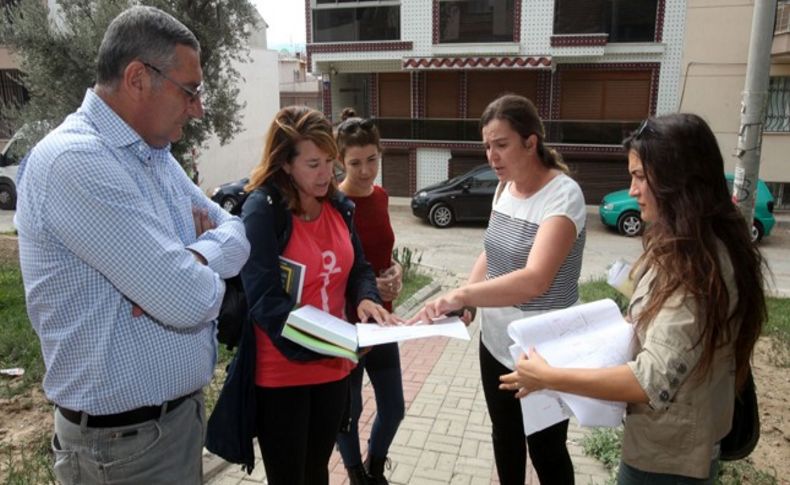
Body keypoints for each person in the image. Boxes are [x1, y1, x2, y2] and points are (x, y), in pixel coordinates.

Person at [14, 6, 250, 485]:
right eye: (189, 90)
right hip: (120, 452)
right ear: (138, 77)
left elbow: (238, 232)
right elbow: (191, 300)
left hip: (167, 429)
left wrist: (193, 256)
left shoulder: (154, 153)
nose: (199, 107)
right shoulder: (74, 162)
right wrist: (188, 271)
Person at [499, 113, 767, 483]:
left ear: (678, 179)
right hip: (666, 447)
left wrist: (551, 377)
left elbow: (649, 381)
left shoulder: (696, 267)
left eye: (640, 176)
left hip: (667, 462)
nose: (633, 190)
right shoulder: (688, 242)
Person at [411, 94, 586, 485]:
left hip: (542, 349)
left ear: (531, 142)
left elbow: (535, 279)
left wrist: (462, 295)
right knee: (504, 436)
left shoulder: (563, 195)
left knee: (545, 448)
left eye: (501, 144)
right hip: (496, 342)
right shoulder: (504, 188)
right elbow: (492, 251)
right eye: (487, 146)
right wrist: (469, 298)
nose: (492, 155)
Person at [240, 105, 395, 485]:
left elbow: (358, 267)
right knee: (290, 477)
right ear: (285, 164)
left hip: (333, 369)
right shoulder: (264, 212)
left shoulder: (339, 206)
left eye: (329, 160)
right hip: (283, 373)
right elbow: (266, 302)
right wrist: (333, 343)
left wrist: (366, 298)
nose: (327, 173)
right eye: (313, 164)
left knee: (318, 472)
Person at [334, 108, 405, 485]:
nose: (365, 171)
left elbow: (382, 252)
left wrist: (397, 272)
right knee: (350, 410)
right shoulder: (333, 205)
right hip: (347, 323)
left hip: (383, 322)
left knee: (393, 408)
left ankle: (376, 467)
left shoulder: (380, 196)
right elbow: (328, 269)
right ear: (340, 161)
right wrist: (365, 288)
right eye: (355, 162)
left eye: (372, 160)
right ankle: (356, 473)